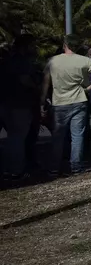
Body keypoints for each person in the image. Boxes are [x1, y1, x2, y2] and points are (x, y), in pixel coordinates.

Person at [41, 35, 91, 175]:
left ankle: (54, 167)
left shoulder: (53, 61)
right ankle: (76, 166)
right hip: (79, 100)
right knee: (77, 135)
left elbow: (46, 82)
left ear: (65, 45)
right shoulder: (85, 60)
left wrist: (43, 101)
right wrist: (88, 89)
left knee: (58, 136)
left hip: (59, 102)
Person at [0, 34, 40, 179]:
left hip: (6, 102)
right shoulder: (22, 62)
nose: (35, 48)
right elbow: (24, 80)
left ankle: (8, 168)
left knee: (12, 137)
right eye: (32, 45)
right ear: (26, 46)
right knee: (17, 138)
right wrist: (37, 88)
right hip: (19, 104)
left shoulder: (7, 61)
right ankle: (16, 170)